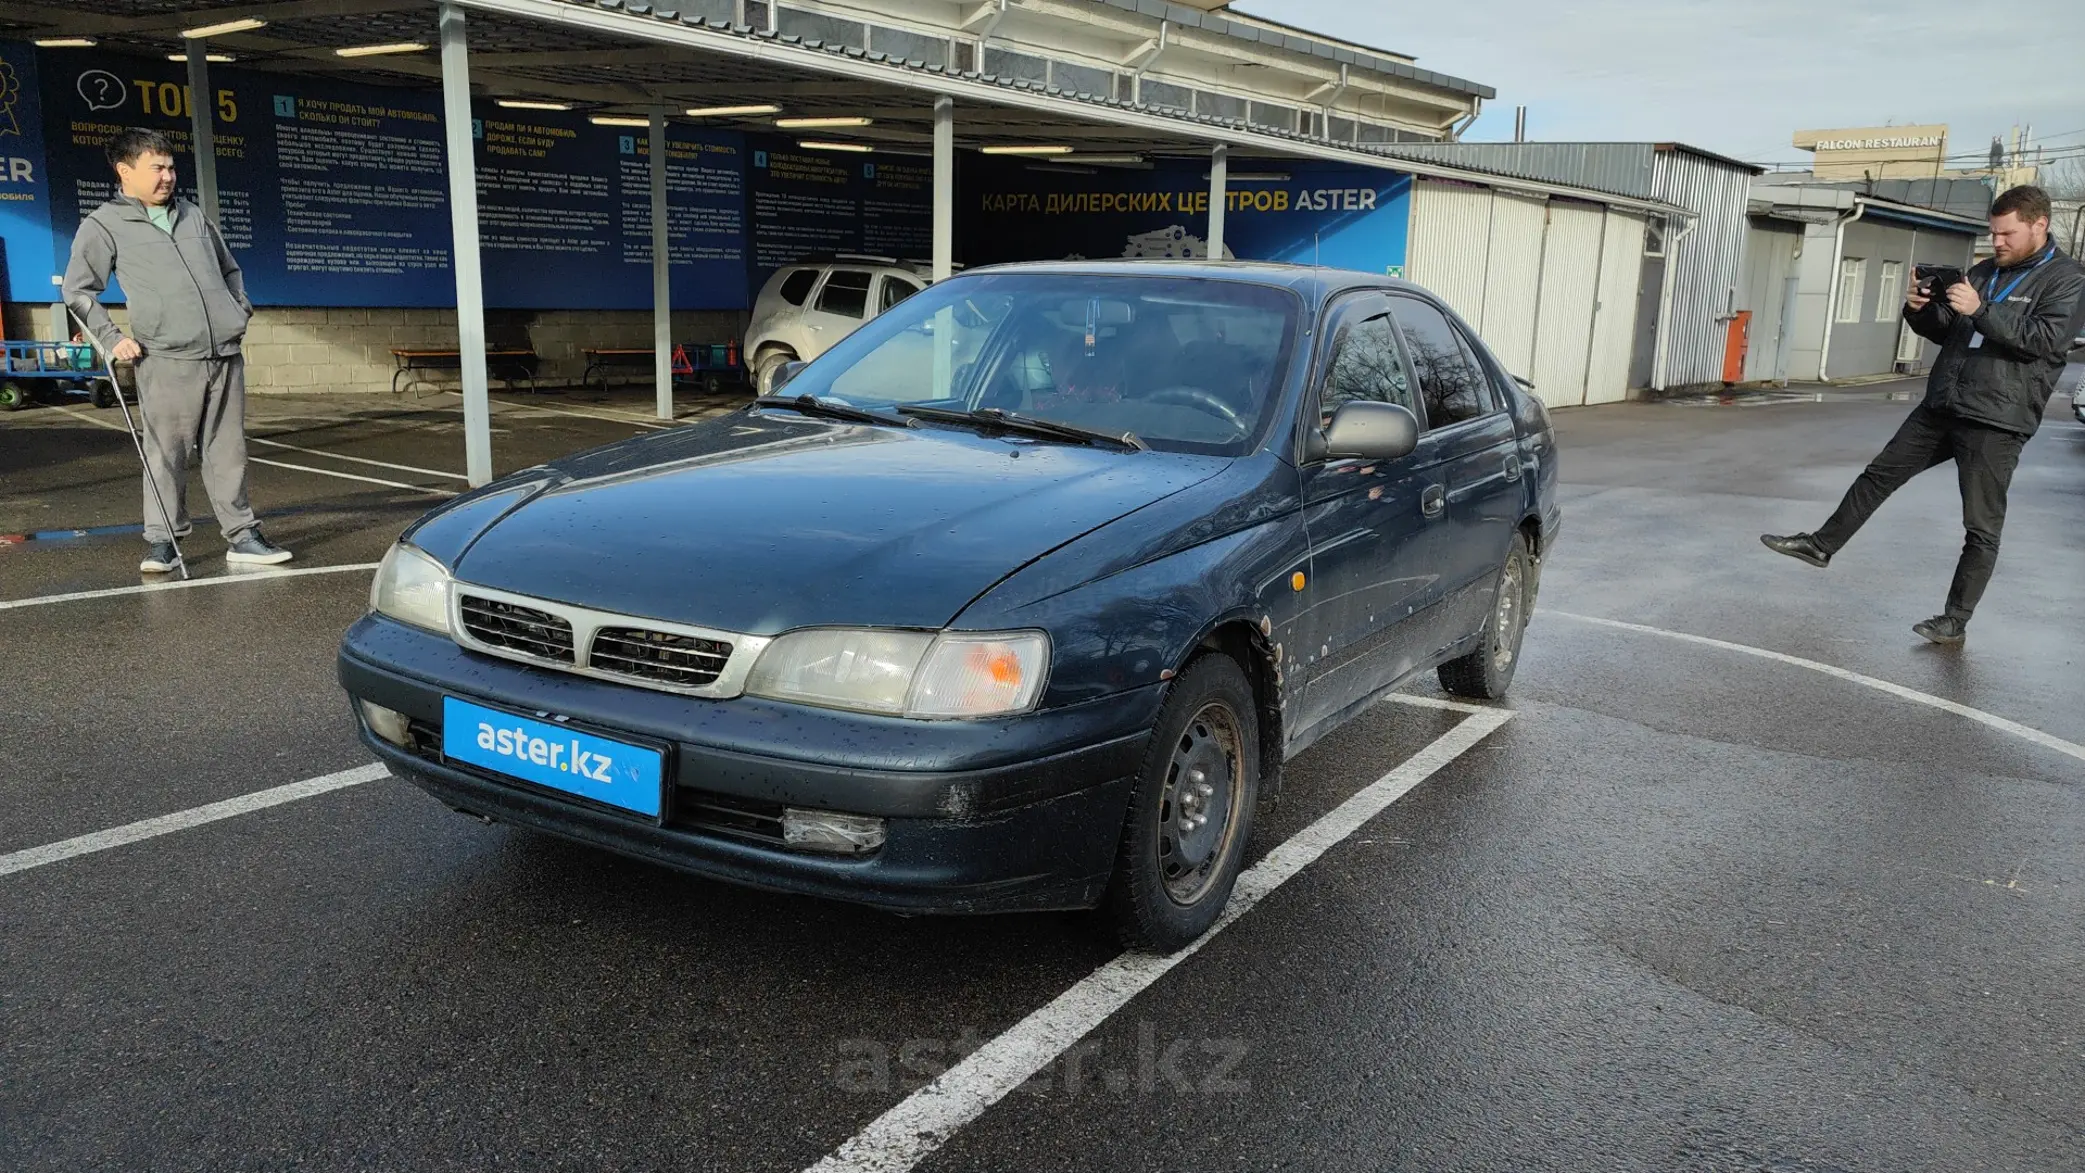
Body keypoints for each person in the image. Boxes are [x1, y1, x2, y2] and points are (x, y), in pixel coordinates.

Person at [1761, 186, 2085, 644]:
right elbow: (1953, 329)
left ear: (2040, 225)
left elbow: (2044, 340)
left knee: (1980, 526)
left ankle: (1954, 621)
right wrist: (1921, 312)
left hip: (1997, 419)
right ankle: (1820, 546)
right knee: (1879, 474)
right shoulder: (1986, 271)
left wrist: (1983, 309)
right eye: (1993, 234)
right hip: (1943, 404)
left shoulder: (2067, 279)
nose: (1998, 243)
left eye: (2007, 234)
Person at [62, 127, 292, 573]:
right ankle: (162, 542)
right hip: (165, 359)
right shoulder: (104, 224)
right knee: (167, 454)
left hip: (223, 354)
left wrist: (237, 310)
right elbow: (79, 291)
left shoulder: (192, 215)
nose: (168, 176)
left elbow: (231, 270)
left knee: (229, 452)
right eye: (157, 168)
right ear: (125, 171)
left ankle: (242, 537)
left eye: (170, 167)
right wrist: (113, 338)